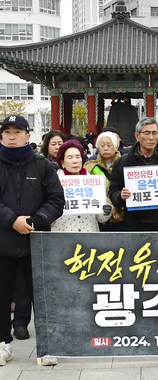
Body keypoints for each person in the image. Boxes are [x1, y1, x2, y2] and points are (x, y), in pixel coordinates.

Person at [0, 115, 65, 365]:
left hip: (36, 243)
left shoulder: (43, 166)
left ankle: (47, 347)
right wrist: (11, 219)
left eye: (18, 132)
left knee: (43, 296)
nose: (12, 137)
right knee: (2, 297)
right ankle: (3, 344)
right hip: (3, 243)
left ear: (29, 136)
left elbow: (56, 200)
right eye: (7, 132)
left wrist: (36, 220)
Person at [108, 117, 158, 231]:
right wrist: (121, 196)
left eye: (154, 133)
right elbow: (113, 191)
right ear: (137, 136)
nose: (151, 138)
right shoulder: (122, 162)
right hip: (135, 225)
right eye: (147, 133)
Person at [51, 140, 113, 231]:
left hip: (89, 235)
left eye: (78, 157)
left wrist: (106, 211)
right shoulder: (54, 183)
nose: (75, 161)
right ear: (62, 162)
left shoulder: (93, 182)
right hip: (62, 235)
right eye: (70, 157)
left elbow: (100, 218)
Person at [83, 131, 124, 231]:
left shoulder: (126, 163)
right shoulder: (89, 166)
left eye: (109, 145)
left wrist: (118, 207)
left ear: (116, 146)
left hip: (124, 217)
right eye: (102, 145)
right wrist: (111, 208)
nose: (105, 148)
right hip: (100, 217)